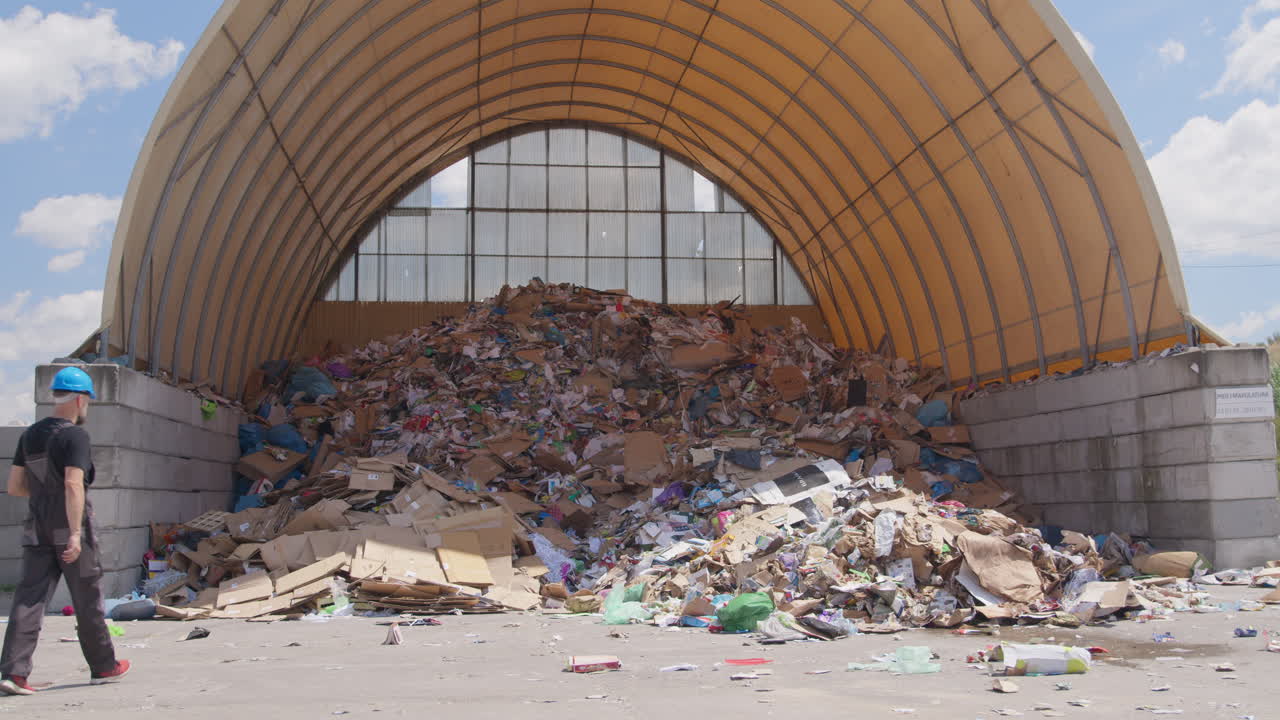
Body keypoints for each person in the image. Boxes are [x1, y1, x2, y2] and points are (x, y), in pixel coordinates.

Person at [0, 367, 129, 696]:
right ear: (81, 399)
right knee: (87, 598)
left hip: (36, 529)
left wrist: (45, 495)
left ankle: (13, 674)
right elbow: (74, 484)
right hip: (70, 529)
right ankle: (103, 666)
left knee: (29, 599)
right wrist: (74, 533)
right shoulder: (74, 436)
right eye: (88, 401)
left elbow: (15, 486)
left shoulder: (30, 435)